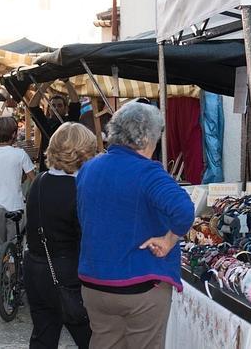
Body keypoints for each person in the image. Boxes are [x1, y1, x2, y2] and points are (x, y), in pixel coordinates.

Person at [76, 102, 194, 349]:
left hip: (95, 283)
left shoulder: (89, 168)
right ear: (147, 137)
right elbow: (183, 211)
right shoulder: (148, 172)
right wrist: (169, 240)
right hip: (139, 284)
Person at [24, 122, 96, 349]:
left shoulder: (40, 181)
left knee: (43, 335)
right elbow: (87, 237)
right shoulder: (79, 189)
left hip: (35, 266)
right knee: (91, 338)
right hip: (66, 271)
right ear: (83, 153)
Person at [0, 116, 36, 306]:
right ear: (13, 134)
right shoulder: (20, 155)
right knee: (14, 247)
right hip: (16, 207)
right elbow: (33, 178)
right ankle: (11, 287)